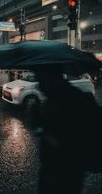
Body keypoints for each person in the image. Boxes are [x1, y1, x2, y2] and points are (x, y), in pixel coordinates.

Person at [36, 66, 100, 194]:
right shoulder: (54, 97)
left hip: (64, 173)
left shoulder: (70, 100)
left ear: (52, 78)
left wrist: (43, 129)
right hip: (54, 170)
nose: (39, 85)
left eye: (41, 79)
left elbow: (67, 143)